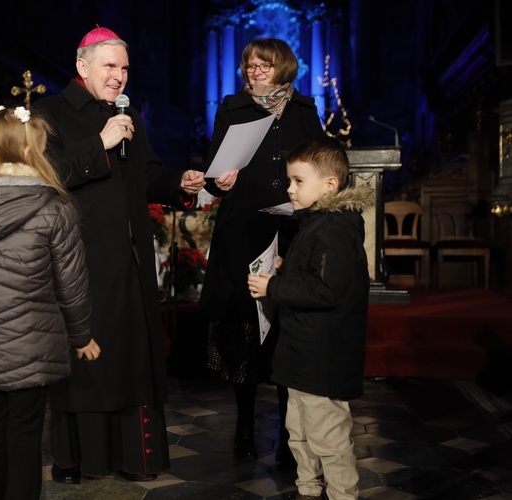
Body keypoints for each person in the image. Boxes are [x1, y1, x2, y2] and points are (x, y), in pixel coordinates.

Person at [32, 26, 206, 483]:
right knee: (91, 361)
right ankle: (83, 460)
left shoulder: (128, 117)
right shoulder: (47, 113)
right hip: (80, 259)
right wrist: (100, 144)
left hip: (129, 261)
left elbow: (145, 173)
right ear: (82, 66)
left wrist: (178, 183)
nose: (119, 77)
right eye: (110, 66)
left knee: (129, 358)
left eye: (125, 68)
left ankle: (133, 457)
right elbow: (43, 174)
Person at [0, 105, 101, 500]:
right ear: (29, 153)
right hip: (33, 343)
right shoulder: (54, 207)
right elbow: (72, 284)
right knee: (25, 442)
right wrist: (82, 336)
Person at [199, 38, 324, 463]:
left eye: (263, 65)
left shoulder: (304, 111)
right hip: (243, 229)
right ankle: (244, 426)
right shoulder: (232, 108)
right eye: (250, 65)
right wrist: (221, 180)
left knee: (285, 330)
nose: (254, 71)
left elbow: (323, 162)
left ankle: (291, 433)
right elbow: (217, 168)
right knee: (245, 332)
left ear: (282, 66)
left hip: (290, 231)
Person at [248, 136, 372, 500]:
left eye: (298, 181)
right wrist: (287, 271)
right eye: (289, 180)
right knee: (298, 430)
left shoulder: (334, 228)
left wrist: (274, 287)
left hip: (323, 355)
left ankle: (342, 494)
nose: (290, 189)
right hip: (302, 352)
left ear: (330, 184)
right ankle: (308, 487)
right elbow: (315, 275)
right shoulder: (316, 222)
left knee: (327, 435)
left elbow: (328, 291)